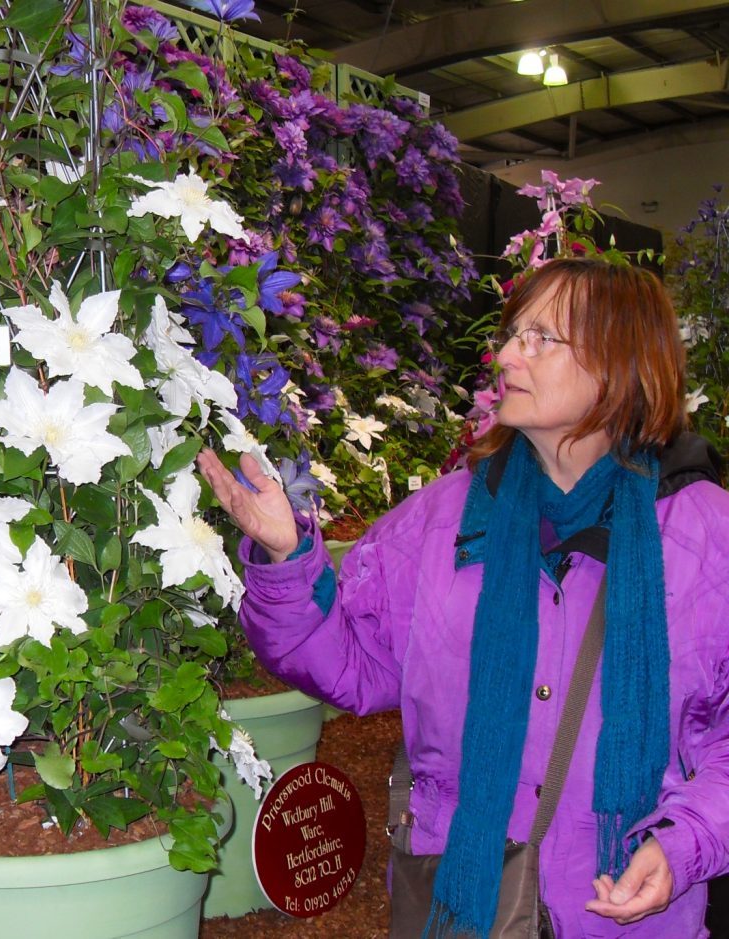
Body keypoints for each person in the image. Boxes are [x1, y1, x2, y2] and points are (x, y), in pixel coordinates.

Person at [197, 256, 729, 938]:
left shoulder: (704, 536)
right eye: (512, 334)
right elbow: (350, 663)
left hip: (621, 911)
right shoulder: (443, 519)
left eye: (541, 338)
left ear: (619, 361)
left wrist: (684, 843)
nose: (506, 354)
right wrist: (285, 557)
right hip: (462, 902)